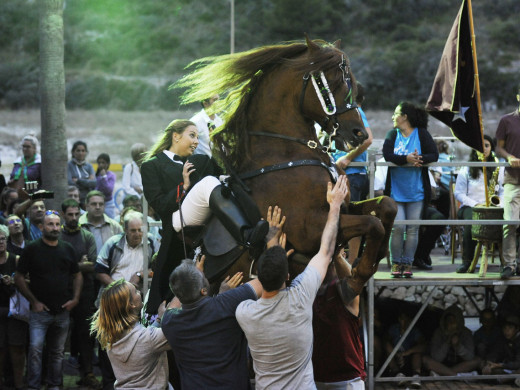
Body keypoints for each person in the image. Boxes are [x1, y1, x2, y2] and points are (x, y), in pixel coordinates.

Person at [141, 119, 267, 313]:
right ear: (176, 136)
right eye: (192, 135)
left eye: (198, 137)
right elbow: (158, 204)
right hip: (175, 220)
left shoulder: (200, 160)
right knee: (208, 182)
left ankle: (257, 222)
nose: (196, 142)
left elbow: (224, 175)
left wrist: (218, 145)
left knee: (225, 181)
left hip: (201, 214)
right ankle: (247, 235)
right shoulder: (151, 165)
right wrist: (183, 186)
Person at [236, 175, 349, 389]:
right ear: (288, 275)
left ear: (259, 277)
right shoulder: (300, 297)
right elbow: (326, 251)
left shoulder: (245, 313)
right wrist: (335, 205)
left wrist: (271, 241)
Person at [160, 205, 284, 389]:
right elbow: (267, 280)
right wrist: (272, 240)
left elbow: (168, 308)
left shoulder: (170, 322)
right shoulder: (226, 304)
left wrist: (193, 278)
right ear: (203, 290)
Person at [14, 210, 83, 390]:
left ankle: (55, 385)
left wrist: (75, 299)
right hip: (39, 312)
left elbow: (77, 275)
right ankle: (34, 386)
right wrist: (33, 301)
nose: (54, 228)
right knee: (36, 350)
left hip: (62, 311)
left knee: (58, 353)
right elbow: (19, 276)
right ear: (41, 227)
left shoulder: (67, 248)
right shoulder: (32, 248)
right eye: (50, 224)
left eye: (57, 224)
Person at [94, 211, 155, 389]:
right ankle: (107, 383)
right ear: (125, 230)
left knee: (131, 341)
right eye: (133, 230)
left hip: (135, 302)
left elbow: (154, 265)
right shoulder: (113, 243)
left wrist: (140, 274)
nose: (137, 234)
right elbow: (99, 271)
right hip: (113, 301)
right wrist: (119, 289)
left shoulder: (150, 242)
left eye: (140, 230)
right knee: (108, 342)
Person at [383, 101, 439, 278]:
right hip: (396, 192)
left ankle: (407, 263)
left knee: (413, 228)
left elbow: (434, 155)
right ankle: (396, 262)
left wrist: (418, 159)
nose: (393, 117)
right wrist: (406, 159)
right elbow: (387, 155)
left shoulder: (421, 134)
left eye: (395, 113)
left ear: (404, 117)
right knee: (397, 228)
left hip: (417, 191)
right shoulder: (393, 134)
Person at [91, 279, 175, 390]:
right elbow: (154, 338)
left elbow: (142, 339)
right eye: (135, 291)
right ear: (131, 304)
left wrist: (159, 319)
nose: (139, 292)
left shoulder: (111, 338)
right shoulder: (148, 339)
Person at [59, 198, 101, 389]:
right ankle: (54, 376)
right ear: (64, 215)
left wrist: (69, 265)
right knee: (58, 333)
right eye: (70, 214)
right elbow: (55, 266)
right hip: (61, 291)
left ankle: (88, 373)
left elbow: (92, 265)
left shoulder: (87, 236)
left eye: (77, 214)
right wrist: (78, 264)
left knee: (86, 334)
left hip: (86, 291)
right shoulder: (58, 236)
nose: (74, 218)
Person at [312, 248, 366, 390]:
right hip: (314, 378)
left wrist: (336, 255)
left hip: (347, 379)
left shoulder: (345, 292)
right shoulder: (309, 288)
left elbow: (350, 282)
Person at [335, 82, 373, 264]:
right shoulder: (347, 115)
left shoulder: (357, 113)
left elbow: (368, 139)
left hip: (353, 174)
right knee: (342, 218)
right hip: (345, 174)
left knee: (351, 220)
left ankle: (350, 261)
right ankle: (344, 259)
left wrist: (347, 158)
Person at [454, 135, 504, 273]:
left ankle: (508, 263)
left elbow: (503, 191)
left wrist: (500, 205)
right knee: (471, 224)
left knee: (509, 225)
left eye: (487, 146)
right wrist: (475, 204)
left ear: (491, 148)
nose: (484, 149)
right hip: (471, 207)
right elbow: (459, 193)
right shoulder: (466, 169)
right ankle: (467, 261)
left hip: (493, 208)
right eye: (480, 146)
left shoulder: (498, 168)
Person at [495, 85, 520, 279]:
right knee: (510, 223)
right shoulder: (506, 120)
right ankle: (509, 265)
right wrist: (509, 156)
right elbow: (498, 149)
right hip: (512, 178)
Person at [0, 225, 27, 390]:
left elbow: (29, 282)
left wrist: (15, 282)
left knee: (17, 349)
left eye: (2, 239)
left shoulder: (16, 259)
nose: (0, 242)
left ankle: (19, 385)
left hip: (15, 310)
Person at [422, 304, 481, 376]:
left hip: (460, 365)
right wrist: (447, 342)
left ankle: (444, 374)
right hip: (441, 364)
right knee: (426, 359)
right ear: (445, 321)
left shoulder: (466, 332)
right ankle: (456, 376)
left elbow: (470, 357)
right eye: (449, 320)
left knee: (477, 360)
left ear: (459, 321)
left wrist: (458, 346)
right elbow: (436, 358)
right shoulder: (438, 332)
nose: (451, 323)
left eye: (454, 321)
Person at [385, 308, 425, 388]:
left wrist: (406, 353)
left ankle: (416, 376)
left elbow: (423, 346)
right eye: (402, 318)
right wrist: (396, 354)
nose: (404, 321)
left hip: (409, 358)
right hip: (396, 357)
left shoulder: (414, 331)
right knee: (387, 350)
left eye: (406, 318)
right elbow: (386, 341)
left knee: (417, 353)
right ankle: (397, 374)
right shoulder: (394, 328)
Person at [79, 190, 123, 254]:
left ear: (104, 206)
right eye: (94, 204)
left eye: (101, 204)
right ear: (86, 206)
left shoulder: (115, 226)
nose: (97, 207)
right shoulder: (79, 225)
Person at [481, 315, 520, 382]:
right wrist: (489, 364)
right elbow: (494, 353)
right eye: (505, 328)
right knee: (484, 365)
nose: (507, 331)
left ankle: (505, 380)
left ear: (517, 329)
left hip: (515, 368)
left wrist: (501, 365)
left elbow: (518, 363)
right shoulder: (502, 339)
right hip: (508, 368)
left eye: (510, 328)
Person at [68, 140, 96, 206]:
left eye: (83, 151)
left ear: (86, 152)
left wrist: (78, 180)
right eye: (78, 150)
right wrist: (87, 180)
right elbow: (70, 182)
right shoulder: (69, 165)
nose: (81, 153)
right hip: (74, 198)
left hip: (87, 199)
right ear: (73, 152)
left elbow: (94, 183)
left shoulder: (89, 166)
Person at [95, 153, 116, 219]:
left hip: (108, 204)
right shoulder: (96, 176)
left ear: (108, 164)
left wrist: (104, 177)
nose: (101, 165)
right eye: (99, 163)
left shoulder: (111, 175)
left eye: (103, 163)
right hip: (97, 204)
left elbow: (109, 190)